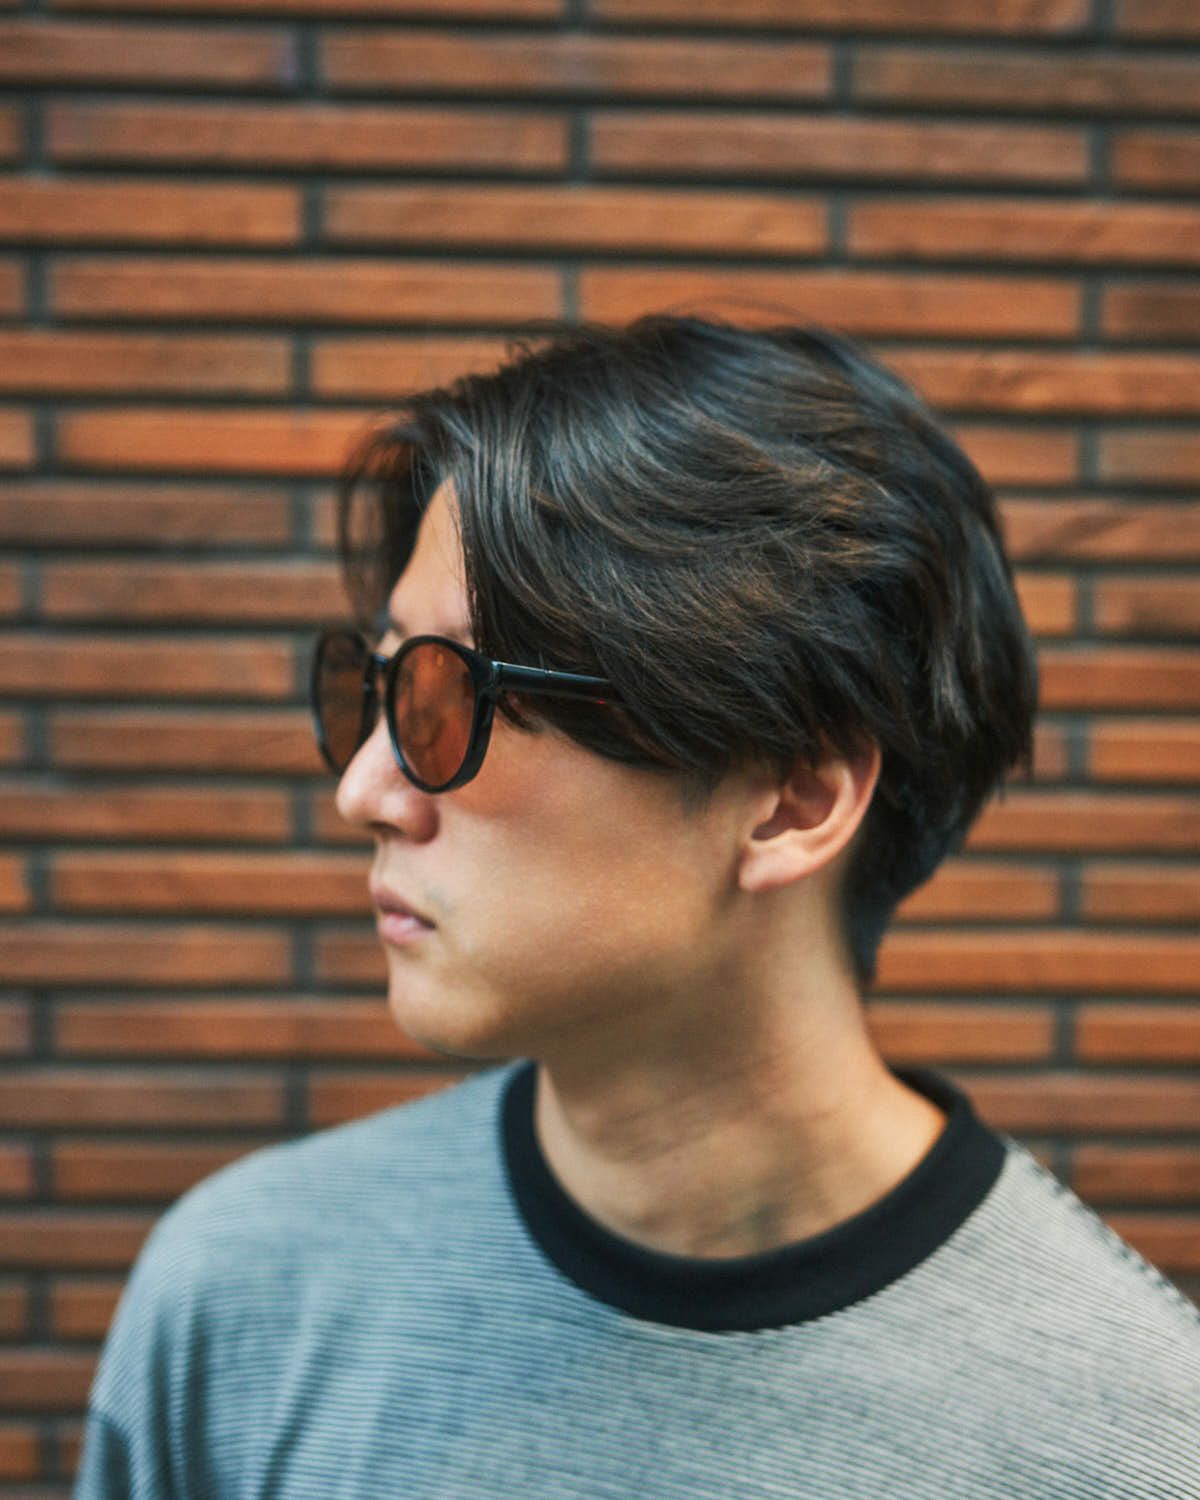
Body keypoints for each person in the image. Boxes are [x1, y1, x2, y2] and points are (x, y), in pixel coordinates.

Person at [76, 318, 1198, 1499]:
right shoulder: (247, 1304)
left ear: (794, 800)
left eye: (454, 695)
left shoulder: (1130, 1445)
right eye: (385, 681)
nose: (364, 791)